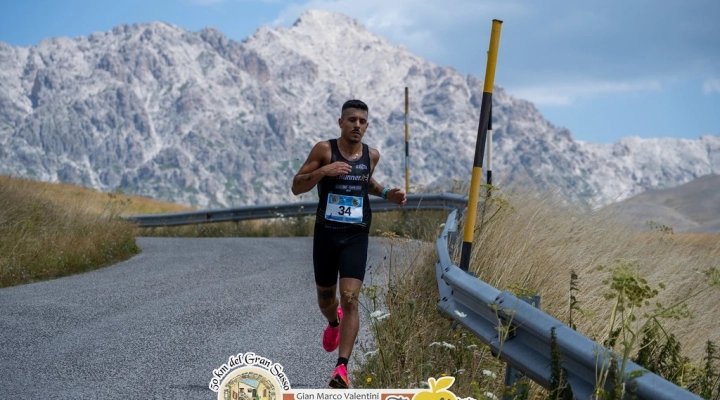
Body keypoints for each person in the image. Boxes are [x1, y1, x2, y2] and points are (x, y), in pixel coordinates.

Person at [291, 99, 407, 388]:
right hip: (326, 234)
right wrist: (323, 172)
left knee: (351, 298)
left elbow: (366, 182)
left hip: (356, 234)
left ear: (367, 126)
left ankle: (341, 369)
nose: (357, 125)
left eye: (362, 121)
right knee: (326, 299)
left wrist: (387, 193)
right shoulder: (324, 150)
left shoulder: (372, 155)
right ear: (340, 123)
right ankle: (333, 323)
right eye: (351, 119)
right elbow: (296, 186)